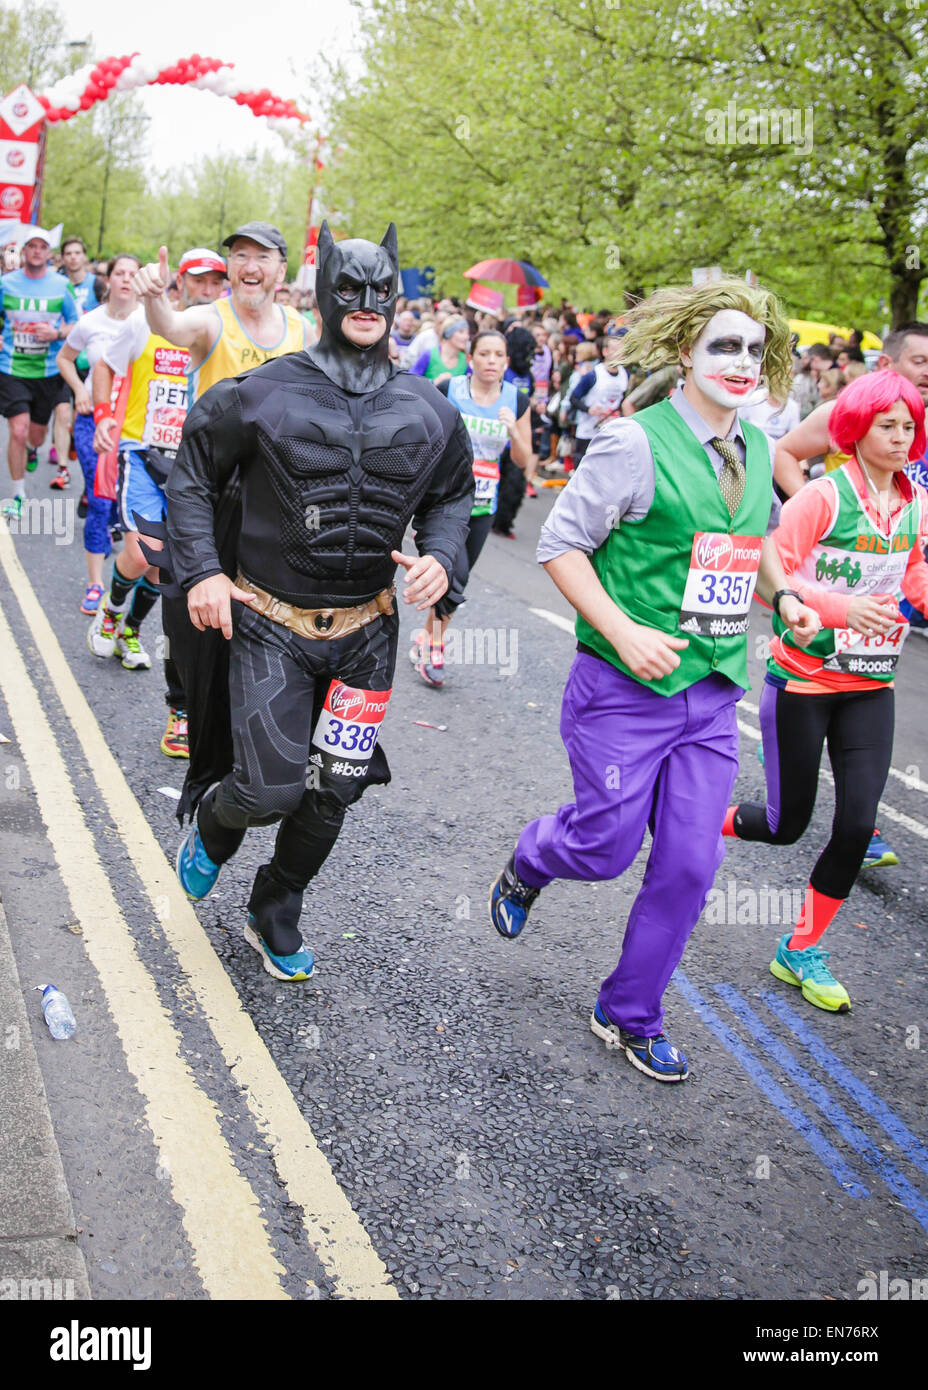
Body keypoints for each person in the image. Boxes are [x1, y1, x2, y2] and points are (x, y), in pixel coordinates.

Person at [488, 278, 820, 1083]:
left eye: (753, 349)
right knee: (603, 848)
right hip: (622, 691)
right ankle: (534, 859)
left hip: (710, 692)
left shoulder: (751, 444)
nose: (741, 363)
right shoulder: (634, 443)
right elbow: (561, 544)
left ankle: (629, 1010)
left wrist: (788, 599)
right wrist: (625, 629)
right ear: (684, 356)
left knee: (689, 864)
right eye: (723, 347)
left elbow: (753, 543)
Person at [159, 221, 474, 983]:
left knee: (335, 787)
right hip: (270, 622)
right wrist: (202, 570)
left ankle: (276, 905)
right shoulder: (262, 392)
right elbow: (194, 472)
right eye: (350, 287)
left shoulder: (429, 408)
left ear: (397, 297)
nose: (366, 303)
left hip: (366, 629)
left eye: (380, 290)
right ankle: (213, 822)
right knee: (266, 788)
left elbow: (454, 494)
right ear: (324, 290)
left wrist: (440, 557)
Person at [723, 370, 928, 1013]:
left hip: (872, 684)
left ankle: (801, 947)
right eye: (886, 425)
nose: (901, 438)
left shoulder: (913, 501)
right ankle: (694, 821)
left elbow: (915, 570)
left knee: (859, 823)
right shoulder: (822, 497)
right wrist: (839, 606)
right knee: (787, 826)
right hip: (804, 680)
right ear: (854, 428)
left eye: (909, 426)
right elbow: (770, 574)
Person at [413, 329, 532, 686]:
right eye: (484, 354)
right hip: (445, 502)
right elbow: (422, 433)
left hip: (484, 504)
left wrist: (513, 431)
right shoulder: (450, 389)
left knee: (455, 580)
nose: (491, 361)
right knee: (453, 576)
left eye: (498, 355)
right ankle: (435, 646)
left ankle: (427, 637)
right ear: (472, 358)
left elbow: (524, 461)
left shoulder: (516, 400)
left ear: (507, 362)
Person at [56, 253, 140, 613]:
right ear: (108, 279)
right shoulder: (90, 322)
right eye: (119, 272)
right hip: (94, 420)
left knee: (127, 509)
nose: (125, 279)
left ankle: (107, 525)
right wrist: (79, 390)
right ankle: (94, 585)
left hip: (134, 426)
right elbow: (64, 358)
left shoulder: (150, 323)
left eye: (132, 274)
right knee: (101, 498)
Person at [0, 231, 79, 519]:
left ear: (48, 252)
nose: (36, 251)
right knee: (17, 430)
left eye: (41, 246)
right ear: (23, 251)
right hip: (12, 369)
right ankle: (18, 494)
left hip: (47, 371)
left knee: (36, 434)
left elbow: (76, 323)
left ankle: (34, 449)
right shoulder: (6, 284)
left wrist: (56, 333)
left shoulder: (60, 285)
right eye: (30, 246)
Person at [568, 337, 629, 463]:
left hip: (611, 431)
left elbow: (622, 400)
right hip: (588, 431)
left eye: (621, 350)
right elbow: (573, 398)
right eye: (615, 349)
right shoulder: (594, 374)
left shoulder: (625, 375)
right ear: (605, 352)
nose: (619, 353)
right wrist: (588, 409)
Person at [409, 316, 470, 381]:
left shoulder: (464, 360)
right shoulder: (429, 355)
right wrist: (434, 382)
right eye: (461, 332)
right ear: (448, 333)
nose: (466, 337)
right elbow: (411, 380)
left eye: (468, 333)